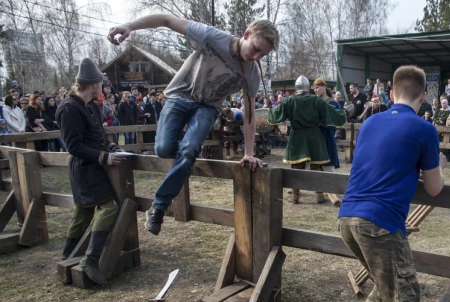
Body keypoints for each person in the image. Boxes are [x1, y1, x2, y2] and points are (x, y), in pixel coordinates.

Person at [336, 65, 446, 302]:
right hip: (380, 224)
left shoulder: (370, 122)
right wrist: (438, 163)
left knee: (387, 286)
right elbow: (434, 187)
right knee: (405, 301)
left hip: (347, 219)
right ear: (423, 97)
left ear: (391, 93)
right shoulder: (425, 129)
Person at [108, 16, 278, 235]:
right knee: (163, 149)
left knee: (189, 150)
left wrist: (248, 152)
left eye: (262, 54)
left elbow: (250, 113)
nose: (255, 57)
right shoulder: (212, 36)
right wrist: (129, 25)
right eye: (255, 49)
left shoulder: (252, 71)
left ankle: (159, 206)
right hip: (179, 96)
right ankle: (184, 158)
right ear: (246, 35)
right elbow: (166, 20)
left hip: (208, 107)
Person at [56, 58, 126, 286]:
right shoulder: (69, 109)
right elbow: (74, 146)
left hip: (93, 166)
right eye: (101, 84)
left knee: (83, 213)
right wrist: (103, 156)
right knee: (108, 208)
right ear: (94, 85)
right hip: (84, 169)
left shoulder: (91, 106)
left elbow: (97, 137)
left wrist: (112, 148)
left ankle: (67, 256)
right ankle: (90, 260)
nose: (103, 88)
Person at [267, 75, 346, 204]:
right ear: (308, 87)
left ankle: (295, 196)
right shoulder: (316, 100)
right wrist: (343, 113)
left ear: (296, 87)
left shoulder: (289, 101)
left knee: (296, 168)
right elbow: (331, 114)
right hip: (314, 136)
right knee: (316, 166)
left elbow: (275, 116)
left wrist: (271, 112)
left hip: (297, 136)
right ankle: (319, 194)